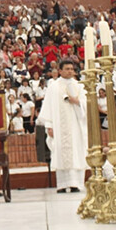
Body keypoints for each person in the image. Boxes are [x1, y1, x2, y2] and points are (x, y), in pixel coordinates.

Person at [39, 60, 87, 193]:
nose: (70, 71)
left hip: (75, 126)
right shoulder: (54, 86)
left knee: (76, 153)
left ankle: (76, 184)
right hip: (59, 127)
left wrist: (76, 101)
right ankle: (62, 184)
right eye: (67, 69)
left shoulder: (79, 86)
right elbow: (48, 106)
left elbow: (86, 103)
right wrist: (49, 125)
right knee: (60, 153)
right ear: (60, 71)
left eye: (72, 69)